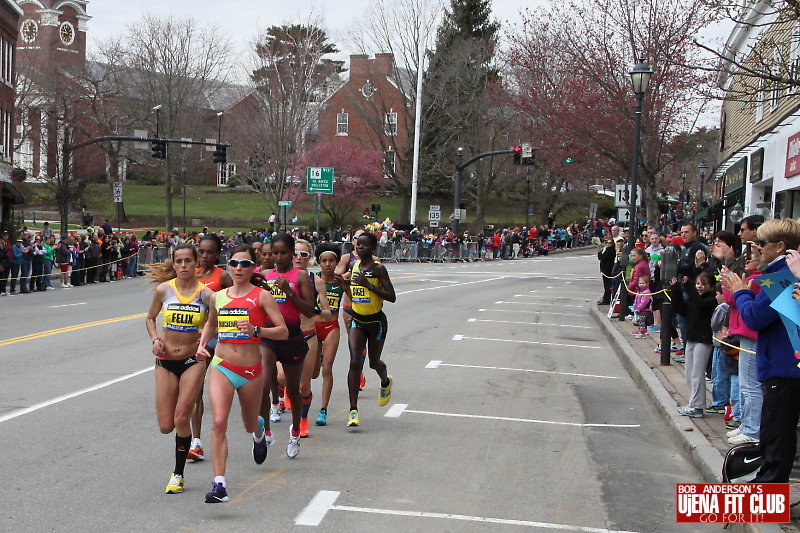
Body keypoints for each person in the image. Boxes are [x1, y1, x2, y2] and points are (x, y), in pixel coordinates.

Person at [197, 245, 288, 503]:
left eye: (245, 264)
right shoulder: (219, 296)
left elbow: (282, 331)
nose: (239, 268)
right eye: (235, 263)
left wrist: (256, 330)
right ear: (229, 266)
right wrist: (203, 345)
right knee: (218, 422)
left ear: (253, 268)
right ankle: (219, 484)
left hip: (250, 370)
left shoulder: (262, 297)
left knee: (250, 423)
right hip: (222, 364)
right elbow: (211, 324)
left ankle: (258, 431)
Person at [726, 219, 800, 482]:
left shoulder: (783, 277)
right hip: (785, 365)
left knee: (777, 437)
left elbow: (756, 318)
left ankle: (768, 490)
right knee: (776, 435)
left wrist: (740, 292)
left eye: (762, 243)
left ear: (780, 246)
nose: (758, 248)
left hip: (784, 367)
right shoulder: (784, 274)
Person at [145, 243, 214, 495]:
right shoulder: (164, 290)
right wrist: (155, 340)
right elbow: (150, 318)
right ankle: (186, 406)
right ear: (173, 264)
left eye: (188, 261)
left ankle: (177, 474)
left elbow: (214, 323)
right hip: (165, 362)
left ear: (197, 264)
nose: (183, 265)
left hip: (192, 362)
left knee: (181, 418)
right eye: (179, 261)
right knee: (166, 425)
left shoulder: (206, 295)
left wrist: (204, 340)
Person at [258, 233, 317, 458]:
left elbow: (310, 311)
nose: (279, 257)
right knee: (264, 383)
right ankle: (267, 430)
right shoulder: (265, 275)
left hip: (292, 337)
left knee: (294, 389)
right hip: (269, 336)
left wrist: (289, 292)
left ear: (292, 253)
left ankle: (294, 433)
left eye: (284, 253)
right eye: (275, 253)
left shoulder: (300, 275)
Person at [338, 232, 397, 427]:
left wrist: (369, 285)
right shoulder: (354, 266)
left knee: (373, 362)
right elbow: (354, 294)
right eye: (358, 245)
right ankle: (353, 410)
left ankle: (385, 381)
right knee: (355, 362)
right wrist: (345, 286)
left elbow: (391, 296)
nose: (359, 248)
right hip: (358, 320)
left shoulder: (378, 268)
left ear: (373, 248)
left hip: (376, 322)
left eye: (364, 245)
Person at [187, 233, 234, 462]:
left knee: (226, 390)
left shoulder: (222, 276)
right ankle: (196, 442)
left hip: (219, 338)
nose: (204, 256)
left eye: (209, 252)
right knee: (195, 390)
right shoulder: (191, 275)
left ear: (217, 254)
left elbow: (237, 300)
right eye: (201, 251)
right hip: (196, 340)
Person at [293, 239, 331, 438]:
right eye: (295, 253)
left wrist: (313, 313)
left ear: (310, 258)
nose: (299, 257)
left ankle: (303, 419)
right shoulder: (279, 279)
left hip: (308, 336)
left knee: (304, 385)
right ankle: (282, 396)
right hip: (285, 336)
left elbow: (327, 312)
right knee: (281, 376)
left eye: (304, 254)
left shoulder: (316, 281)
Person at [670, 271, 717, 418]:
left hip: (703, 339)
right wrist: (676, 289)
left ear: (711, 286)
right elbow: (680, 309)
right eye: (698, 283)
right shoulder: (693, 299)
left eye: (703, 284)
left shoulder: (711, 301)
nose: (700, 287)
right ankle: (694, 403)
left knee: (697, 373)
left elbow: (700, 305)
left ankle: (697, 406)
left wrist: (689, 287)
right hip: (691, 338)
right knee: (689, 373)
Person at [312, 242, 344, 426]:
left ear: (337, 262)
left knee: (327, 368)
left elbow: (351, 304)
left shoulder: (340, 282)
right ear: (319, 262)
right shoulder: (312, 279)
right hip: (314, 328)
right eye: (323, 261)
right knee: (314, 372)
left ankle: (323, 409)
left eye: (331, 260)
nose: (327, 264)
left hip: (331, 327)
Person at [597, 237, 615, 305]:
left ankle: (607, 299)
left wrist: (599, 252)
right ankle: (605, 298)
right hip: (605, 270)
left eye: (610, 243)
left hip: (607, 270)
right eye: (606, 242)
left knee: (607, 285)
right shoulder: (607, 249)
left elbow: (602, 258)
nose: (608, 244)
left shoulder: (609, 250)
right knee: (607, 285)